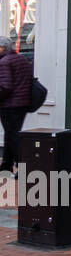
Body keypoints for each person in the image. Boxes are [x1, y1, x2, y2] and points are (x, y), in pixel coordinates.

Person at [0, 37, 32, 172]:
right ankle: (6, 165)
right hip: (22, 103)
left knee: (12, 136)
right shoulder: (21, 59)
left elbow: (5, 87)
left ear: (2, 48)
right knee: (11, 134)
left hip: (9, 105)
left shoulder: (4, 62)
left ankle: (24, 166)